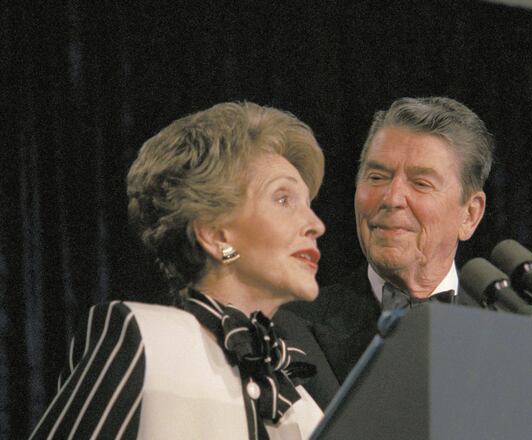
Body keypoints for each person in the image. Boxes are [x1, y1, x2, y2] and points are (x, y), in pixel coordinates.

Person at [29, 102, 339, 440]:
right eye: (283, 199)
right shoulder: (147, 339)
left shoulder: (304, 400)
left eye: (309, 206)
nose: (315, 225)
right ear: (217, 236)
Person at [282, 97, 492, 382]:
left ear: (469, 214)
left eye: (421, 184)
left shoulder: (511, 337)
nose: (392, 198)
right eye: (377, 177)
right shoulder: (291, 327)